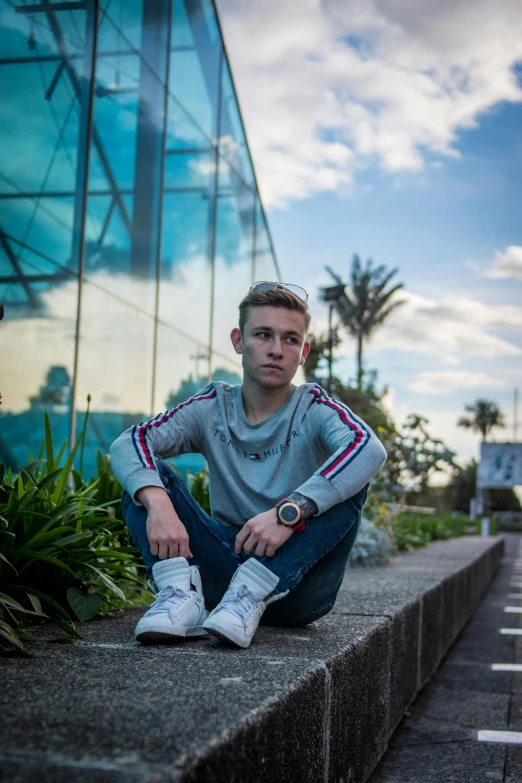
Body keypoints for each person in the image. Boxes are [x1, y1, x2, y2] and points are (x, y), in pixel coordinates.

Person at [110, 282, 387, 649]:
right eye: (263, 335)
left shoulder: (314, 409)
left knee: (350, 478)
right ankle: (181, 598)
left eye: (290, 340)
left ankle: (254, 589)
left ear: (303, 352)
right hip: (225, 573)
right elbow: (129, 442)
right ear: (239, 340)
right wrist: (159, 504)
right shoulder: (212, 407)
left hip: (299, 590)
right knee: (145, 479)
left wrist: (288, 513)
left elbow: (369, 448)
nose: (275, 350)